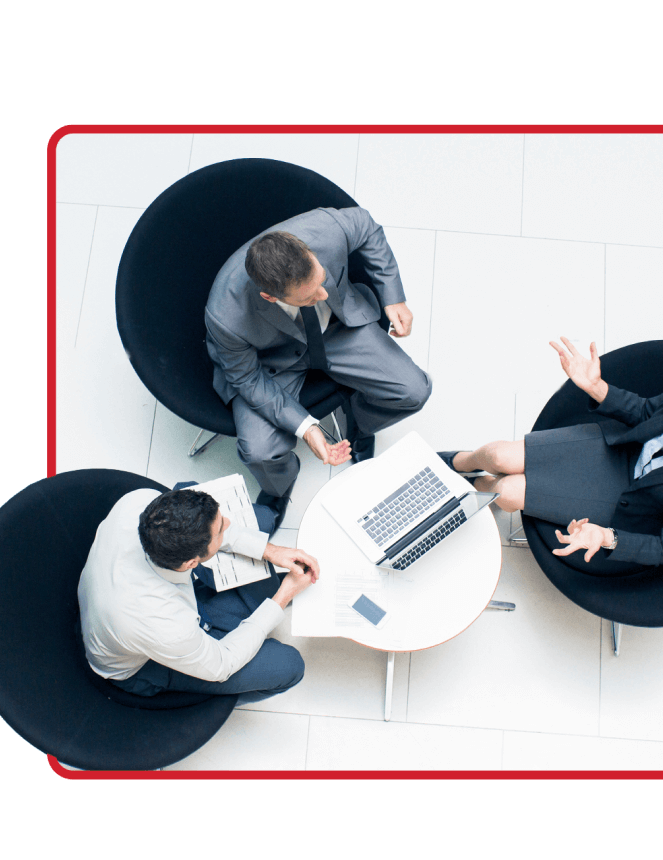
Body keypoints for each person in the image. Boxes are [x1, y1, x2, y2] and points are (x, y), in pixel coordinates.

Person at [439, 337, 663, 572]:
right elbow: (650, 411)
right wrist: (594, 386)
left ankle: (463, 493)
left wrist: (606, 537)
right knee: (499, 455)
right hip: (617, 451)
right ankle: (453, 464)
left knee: (506, 491)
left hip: (628, 502)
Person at [205, 206, 433, 529]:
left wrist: (393, 296)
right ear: (270, 297)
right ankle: (279, 487)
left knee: (415, 390)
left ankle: (360, 419)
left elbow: (368, 228)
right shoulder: (225, 315)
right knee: (258, 452)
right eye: (311, 296)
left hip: (338, 329)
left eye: (321, 280)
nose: (324, 293)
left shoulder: (327, 229)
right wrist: (307, 428)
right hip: (273, 359)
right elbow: (246, 378)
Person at [78, 485, 319, 702]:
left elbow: (207, 527)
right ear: (190, 563)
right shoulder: (165, 625)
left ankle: (233, 612)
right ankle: (212, 699)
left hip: (131, 613)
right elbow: (222, 664)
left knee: (261, 521)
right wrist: (283, 596)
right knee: (287, 666)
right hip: (141, 664)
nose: (227, 522)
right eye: (221, 531)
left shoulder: (141, 502)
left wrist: (269, 550)